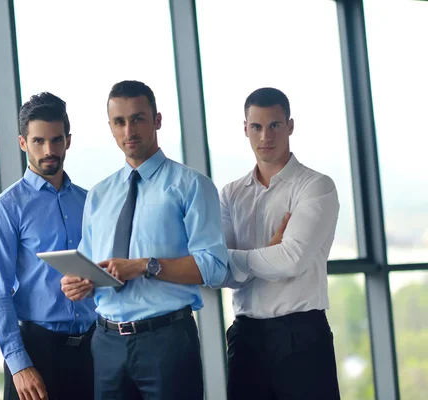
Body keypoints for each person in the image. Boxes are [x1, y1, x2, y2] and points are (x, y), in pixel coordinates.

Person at [60, 80, 228, 400]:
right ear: (110, 127)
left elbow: (215, 267)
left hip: (166, 342)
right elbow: (89, 264)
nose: (129, 130)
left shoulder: (191, 186)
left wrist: (142, 266)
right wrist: (76, 283)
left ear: (157, 120)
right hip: (107, 343)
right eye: (119, 122)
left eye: (138, 118)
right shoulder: (99, 195)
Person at [220, 87, 341, 399]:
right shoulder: (230, 194)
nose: (265, 136)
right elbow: (217, 271)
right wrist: (266, 253)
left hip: (301, 336)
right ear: (245, 129)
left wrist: (236, 258)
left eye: (274, 125)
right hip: (245, 336)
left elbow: (292, 260)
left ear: (290, 126)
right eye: (256, 127)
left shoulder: (316, 186)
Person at [0, 92, 97, 400]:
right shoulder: (5, 209)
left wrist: (94, 282)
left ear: (68, 141)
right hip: (37, 352)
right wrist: (19, 365)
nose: (49, 150)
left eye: (57, 140)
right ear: (23, 143)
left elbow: (104, 270)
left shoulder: (91, 203)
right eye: (39, 141)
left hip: (92, 351)